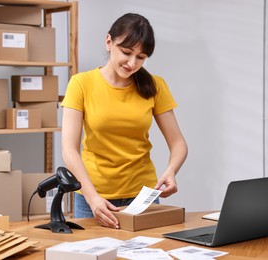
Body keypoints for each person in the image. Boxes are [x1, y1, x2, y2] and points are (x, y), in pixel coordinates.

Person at [61, 13, 188, 229]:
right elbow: (69, 149)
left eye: (141, 57)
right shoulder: (81, 84)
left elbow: (178, 143)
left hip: (142, 198)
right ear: (109, 42)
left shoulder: (155, 86)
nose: (132, 63)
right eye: (127, 52)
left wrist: (171, 171)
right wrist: (93, 199)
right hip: (93, 197)